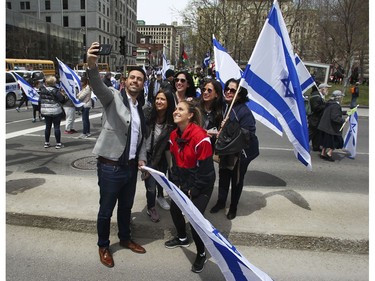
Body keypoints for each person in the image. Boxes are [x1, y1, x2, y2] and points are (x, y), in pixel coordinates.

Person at [86, 42, 147, 268]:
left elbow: (141, 136)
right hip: (110, 167)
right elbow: (97, 85)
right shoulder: (112, 97)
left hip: (130, 169)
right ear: (125, 81)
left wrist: (142, 158)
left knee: (126, 208)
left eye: (139, 79)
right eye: (132, 77)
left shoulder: (141, 106)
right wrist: (91, 64)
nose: (135, 81)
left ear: (143, 84)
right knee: (106, 210)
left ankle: (125, 238)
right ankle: (103, 245)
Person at [164, 100, 215, 274]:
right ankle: (182, 238)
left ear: (190, 115)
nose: (175, 111)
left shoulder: (201, 137)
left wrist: (194, 190)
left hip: (202, 182)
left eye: (180, 109)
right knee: (175, 210)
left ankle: (201, 253)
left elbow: (206, 171)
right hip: (184, 180)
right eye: (175, 108)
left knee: (195, 220)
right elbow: (175, 164)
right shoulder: (173, 135)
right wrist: (174, 182)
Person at [210, 78, 259, 220]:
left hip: (241, 152)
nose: (229, 92)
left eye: (233, 90)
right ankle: (220, 202)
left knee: (236, 179)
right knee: (224, 175)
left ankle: (233, 207)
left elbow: (248, 133)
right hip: (226, 150)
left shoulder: (244, 111)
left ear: (240, 94)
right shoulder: (225, 106)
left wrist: (229, 128)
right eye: (227, 89)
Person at [142, 88, 176, 222]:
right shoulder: (147, 113)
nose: (159, 101)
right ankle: (151, 207)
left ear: (169, 102)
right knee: (150, 185)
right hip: (147, 155)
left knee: (161, 179)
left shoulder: (172, 121)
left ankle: (160, 196)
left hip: (162, 156)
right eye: (157, 98)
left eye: (163, 99)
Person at [317, 90, 345, 162]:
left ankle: (323, 153)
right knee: (337, 141)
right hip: (331, 128)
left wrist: (345, 112)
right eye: (341, 96)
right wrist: (343, 120)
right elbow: (334, 118)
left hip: (325, 126)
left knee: (326, 141)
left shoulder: (329, 103)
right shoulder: (336, 106)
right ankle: (329, 153)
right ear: (338, 97)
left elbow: (334, 112)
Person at [39, 75, 65, 149]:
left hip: (45, 110)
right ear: (53, 83)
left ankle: (46, 143)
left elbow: (39, 101)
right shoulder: (55, 91)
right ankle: (58, 143)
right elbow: (62, 99)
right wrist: (62, 94)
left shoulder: (42, 90)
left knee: (47, 127)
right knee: (56, 127)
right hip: (55, 110)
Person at [198, 79, 223, 150]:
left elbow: (218, 135)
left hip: (207, 149)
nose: (205, 92)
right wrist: (202, 132)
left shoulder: (220, 113)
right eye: (204, 90)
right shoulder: (195, 108)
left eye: (209, 90)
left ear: (216, 94)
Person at [308, 83, 331, 151]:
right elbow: (316, 108)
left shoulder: (319, 96)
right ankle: (302, 145)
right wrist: (326, 105)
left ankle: (316, 146)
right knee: (311, 133)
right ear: (322, 89)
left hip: (317, 118)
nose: (328, 90)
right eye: (327, 89)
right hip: (314, 118)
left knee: (317, 133)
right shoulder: (316, 96)